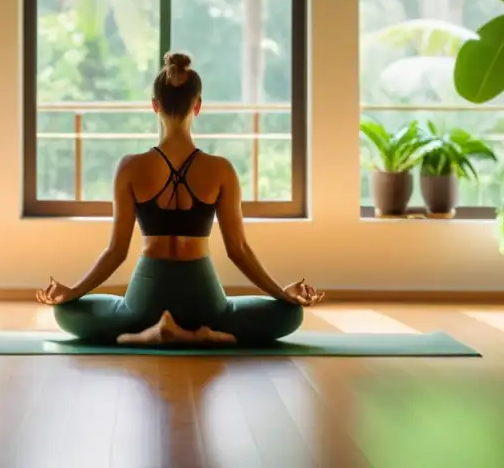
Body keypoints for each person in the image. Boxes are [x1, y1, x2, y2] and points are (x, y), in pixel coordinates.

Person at [36, 52, 324, 345]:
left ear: (154, 106)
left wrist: (72, 292)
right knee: (290, 315)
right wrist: (281, 294)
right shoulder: (221, 169)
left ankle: (147, 333)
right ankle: (205, 334)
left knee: (66, 313)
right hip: (203, 297)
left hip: (146, 298)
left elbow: (116, 251)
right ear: (197, 106)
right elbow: (238, 250)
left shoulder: (130, 167)